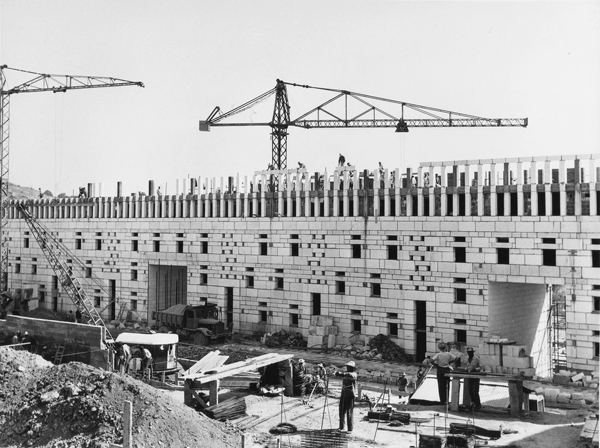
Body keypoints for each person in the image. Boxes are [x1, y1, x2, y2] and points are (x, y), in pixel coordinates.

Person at [335, 360, 358, 432]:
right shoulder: (345, 374)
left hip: (350, 395)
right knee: (341, 410)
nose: (348, 368)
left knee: (349, 412)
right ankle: (341, 426)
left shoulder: (354, 374)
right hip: (343, 393)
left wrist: (342, 373)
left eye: (350, 367)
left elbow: (350, 375)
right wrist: (337, 373)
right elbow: (342, 375)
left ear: (353, 368)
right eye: (347, 367)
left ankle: (350, 428)